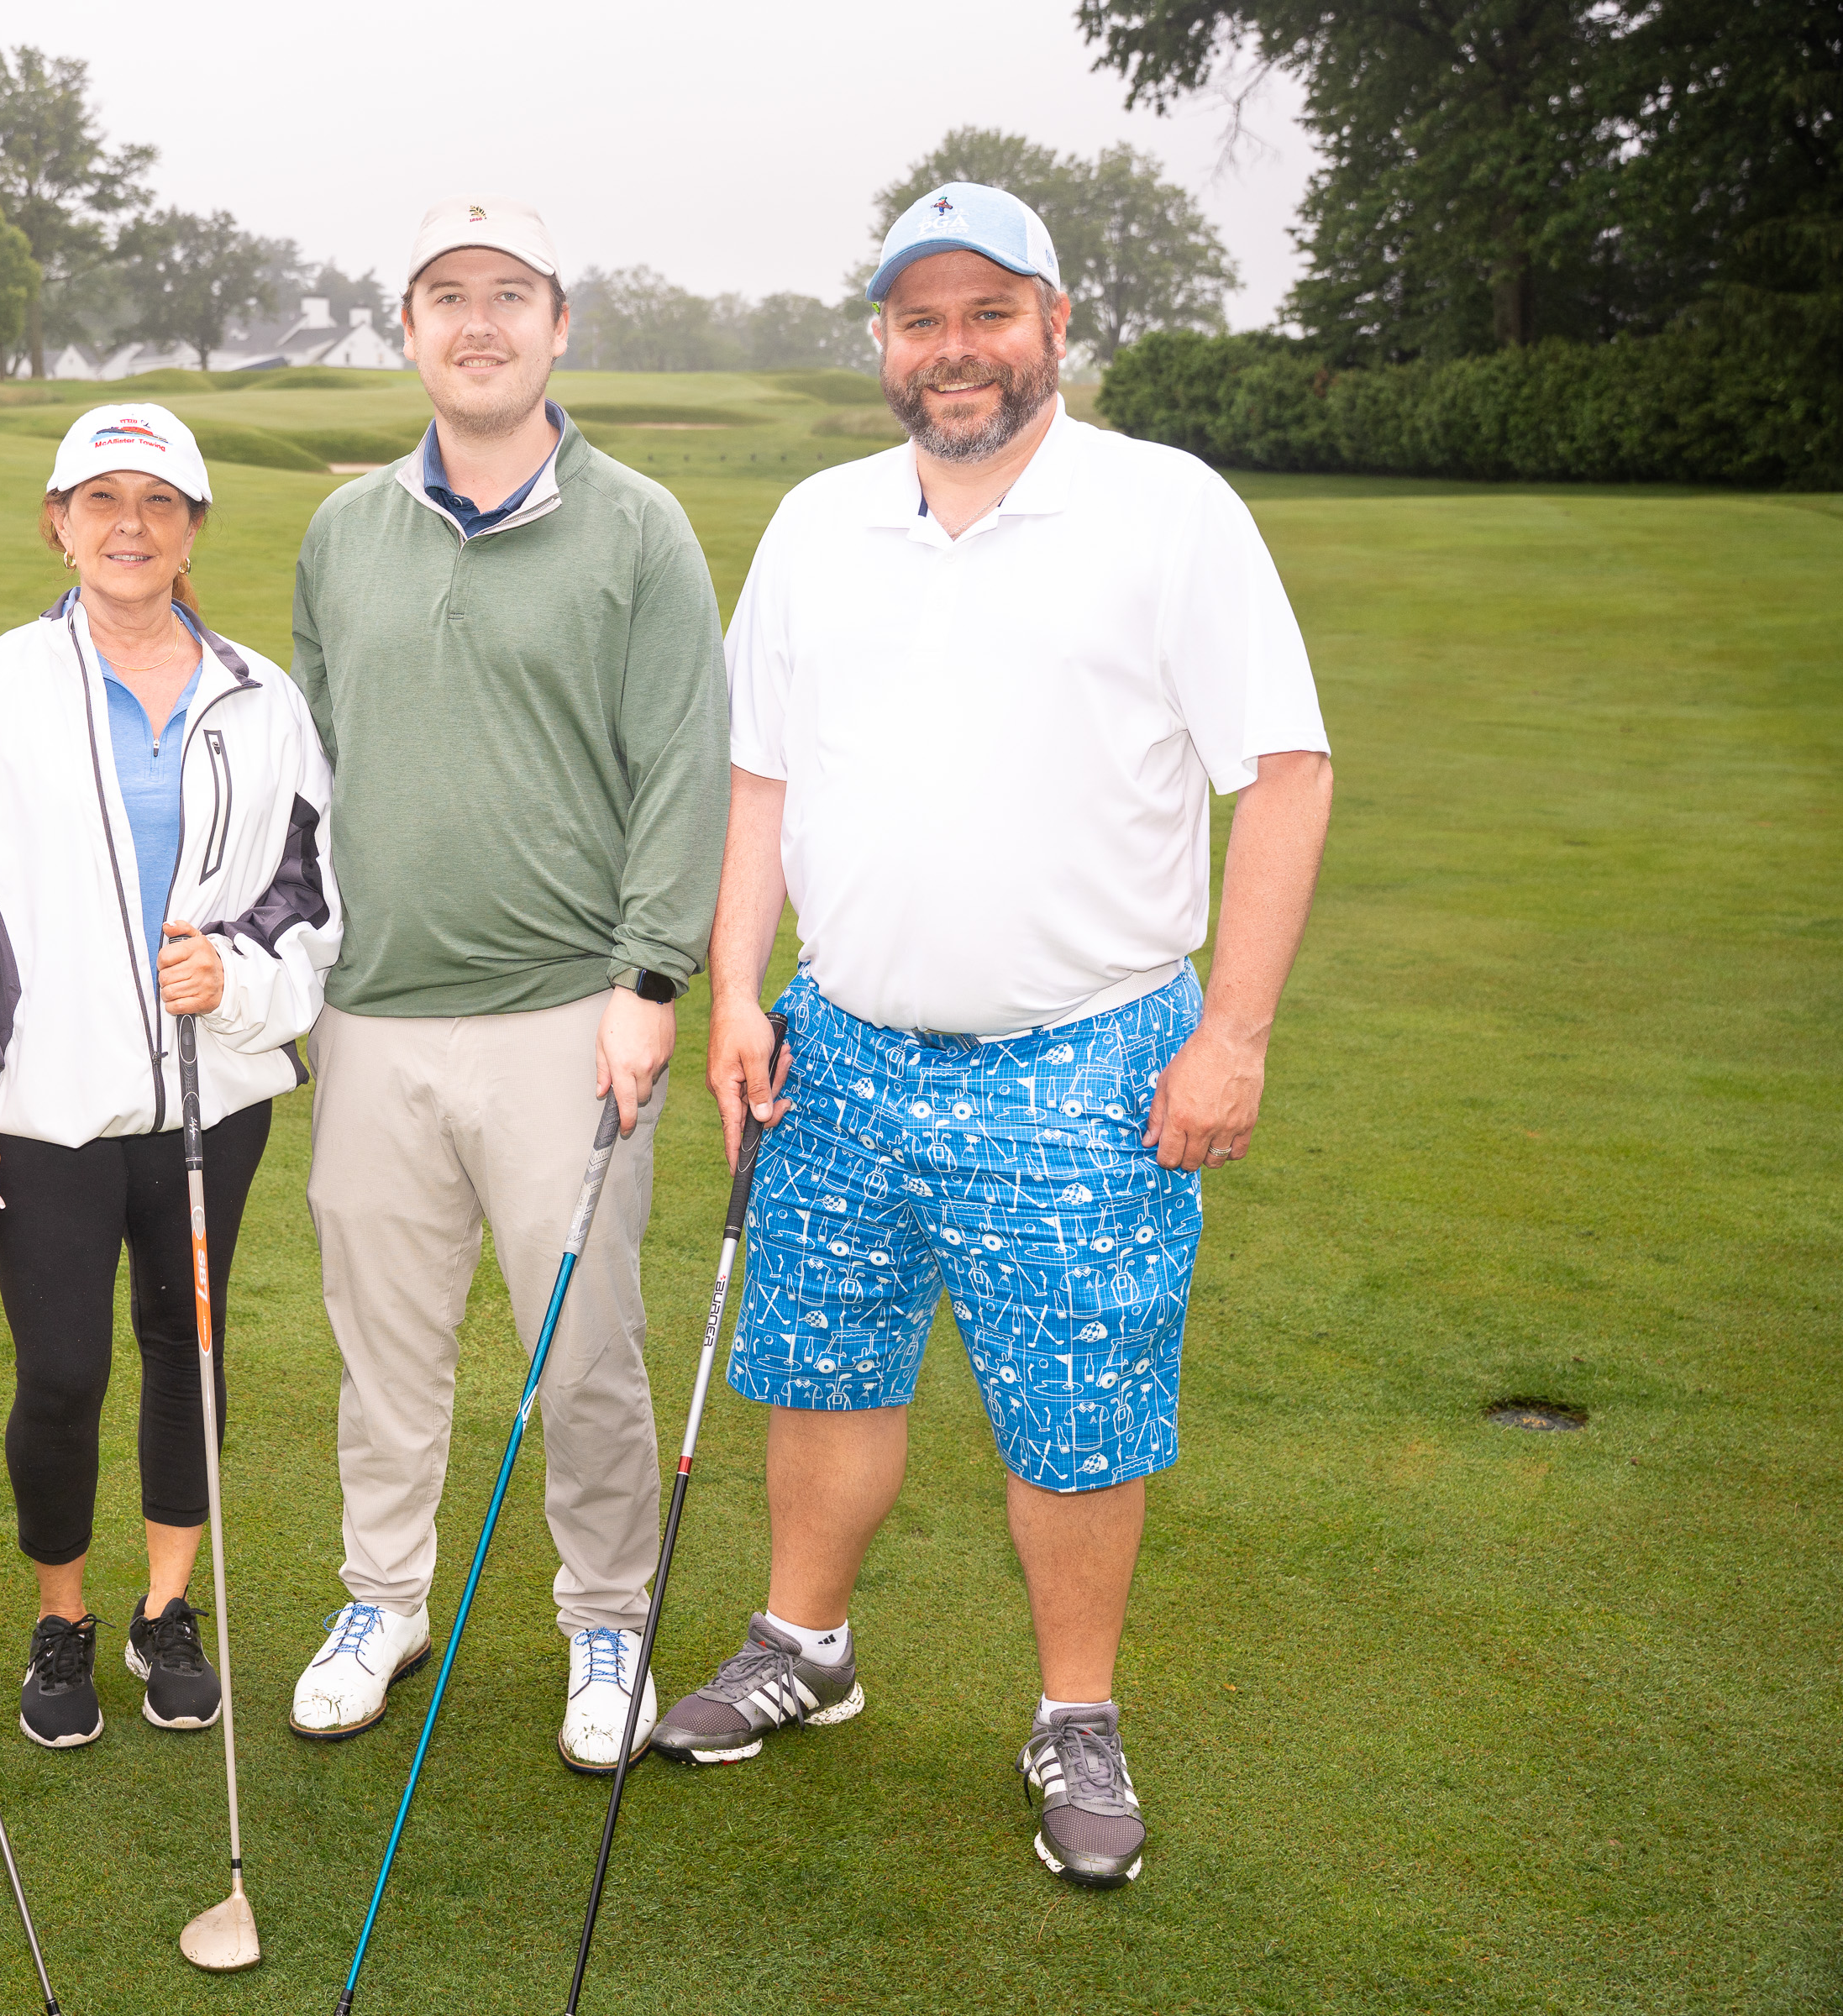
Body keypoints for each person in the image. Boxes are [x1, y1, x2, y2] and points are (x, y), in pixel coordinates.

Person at [648, 182, 1336, 1888]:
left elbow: (1289, 773)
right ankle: (804, 1646)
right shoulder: (819, 523)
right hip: (844, 1047)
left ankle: (1076, 1713)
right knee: (819, 1369)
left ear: (1055, 324)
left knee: (1079, 1410)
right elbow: (762, 778)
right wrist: (737, 988)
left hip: (1090, 1058)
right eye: (922, 317)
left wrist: (1233, 1032)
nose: (957, 348)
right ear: (882, 339)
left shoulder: (1166, 511)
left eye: (990, 312)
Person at [282, 195, 730, 1771]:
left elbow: (687, 767)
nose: (478, 324)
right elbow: (315, 772)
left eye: (510, 295)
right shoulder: (344, 533)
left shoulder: (639, 526)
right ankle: (382, 1599)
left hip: (567, 1015)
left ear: (559, 323)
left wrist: (650, 976)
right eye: (445, 297)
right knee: (382, 1349)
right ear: (406, 328)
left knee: (585, 1353)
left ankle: (606, 1621)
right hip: (374, 1019)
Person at [0, 405, 341, 1751]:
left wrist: (239, 978)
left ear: (193, 528)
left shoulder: (263, 699)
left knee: (186, 1351)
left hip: (216, 1097)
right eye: (101, 499)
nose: (128, 526)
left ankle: (165, 1610)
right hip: (43, 1103)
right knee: (64, 1370)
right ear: (58, 520)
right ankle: (62, 1617)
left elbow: (310, 889)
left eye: (158, 502)